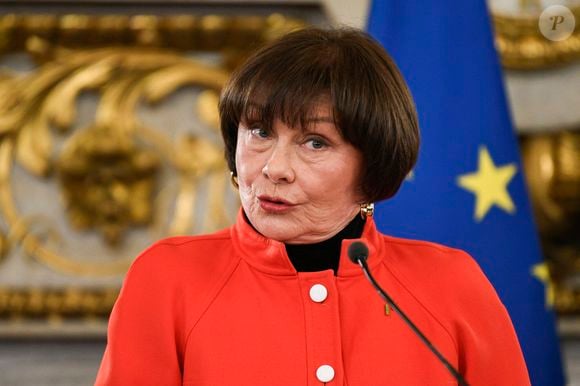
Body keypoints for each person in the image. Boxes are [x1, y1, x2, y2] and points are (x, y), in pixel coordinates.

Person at [95, 27, 530, 385]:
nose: (274, 168)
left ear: (372, 165)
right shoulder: (167, 280)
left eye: (315, 142)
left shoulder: (450, 285)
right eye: (259, 132)